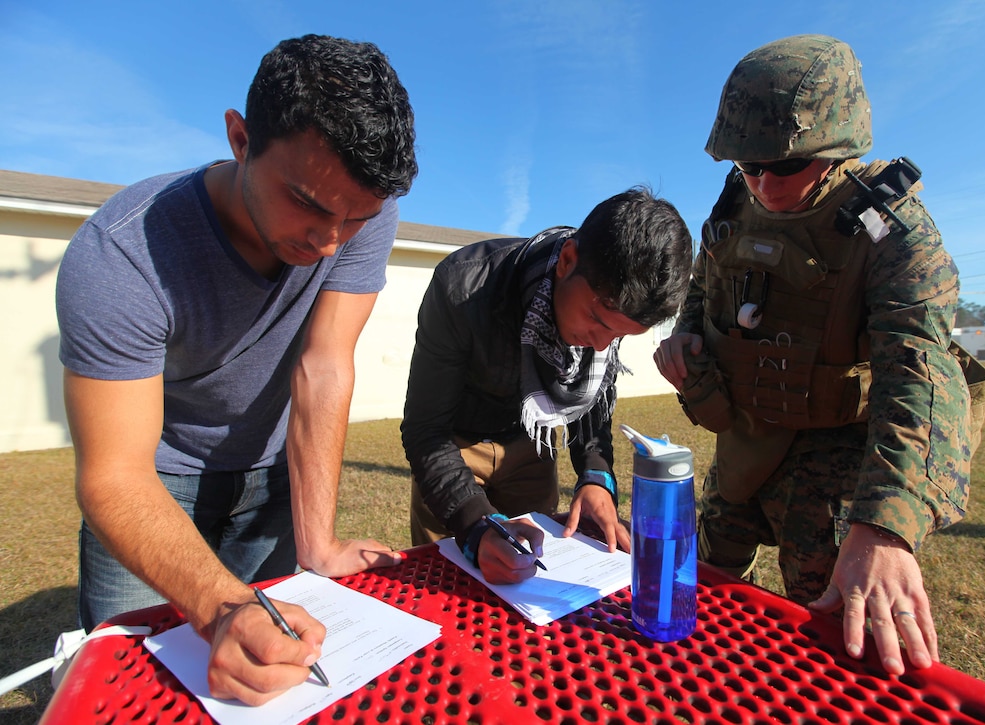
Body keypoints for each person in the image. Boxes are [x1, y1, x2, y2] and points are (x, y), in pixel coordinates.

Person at [55, 35, 417, 704]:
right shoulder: (119, 256)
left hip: (273, 477)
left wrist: (319, 546)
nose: (330, 240)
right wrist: (224, 606)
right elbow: (114, 474)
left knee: (271, 683)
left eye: (354, 219)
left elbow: (325, 363)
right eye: (307, 203)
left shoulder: (361, 209)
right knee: (138, 692)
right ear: (240, 138)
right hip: (156, 483)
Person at [654, 35, 985, 675]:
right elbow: (703, 289)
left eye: (784, 166)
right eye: (748, 166)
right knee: (700, 598)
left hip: (833, 459)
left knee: (838, 631)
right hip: (745, 442)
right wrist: (686, 339)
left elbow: (917, 370)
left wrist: (885, 527)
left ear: (837, 149)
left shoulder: (893, 231)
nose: (763, 184)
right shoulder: (735, 203)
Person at [401, 187, 693, 585]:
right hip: (453, 447)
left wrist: (596, 477)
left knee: (531, 576)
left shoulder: (614, 299)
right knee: (455, 580)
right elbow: (425, 430)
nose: (601, 345)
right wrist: (475, 525)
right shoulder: (463, 287)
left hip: (532, 444)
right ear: (567, 260)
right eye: (598, 321)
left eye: (620, 336)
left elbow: (593, 403)